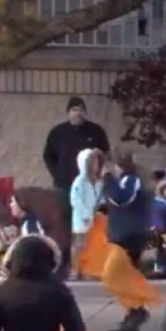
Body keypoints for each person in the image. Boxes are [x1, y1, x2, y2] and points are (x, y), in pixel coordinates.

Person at [42, 97, 110, 274]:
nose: (77, 113)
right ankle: (64, 266)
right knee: (65, 226)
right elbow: (48, 156)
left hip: (90, 188)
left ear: (84, 112)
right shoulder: (58, 132)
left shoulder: (95, 131)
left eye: (80, 109)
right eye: (73, 110)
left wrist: (98, 176)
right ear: (68, 112)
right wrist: (57, 174)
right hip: (64, 186)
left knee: (91, 226)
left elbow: (104, 154)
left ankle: (90, 266)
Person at [103, 152, 161, 331]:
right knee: (122, 276)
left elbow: (121, 199)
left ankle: (137, 310)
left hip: (129, 237)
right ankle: (133, 315)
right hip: (124, 235)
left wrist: (107, 178)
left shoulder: (130, 180)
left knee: (113, 274)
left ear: (120, 166)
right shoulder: (125, 181)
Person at [69, 149, 107, 280]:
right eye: (93, 162)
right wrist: (86, 214)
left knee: (92, 245)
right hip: (81, 218)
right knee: (80, 245)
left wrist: (101, 207)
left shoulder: (98, 181)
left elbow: (100, 197)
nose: (95, 165)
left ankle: (89, 270)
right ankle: (74, 270)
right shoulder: (80, 181)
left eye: (97, 162)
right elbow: (76, 199)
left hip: (95, 218)